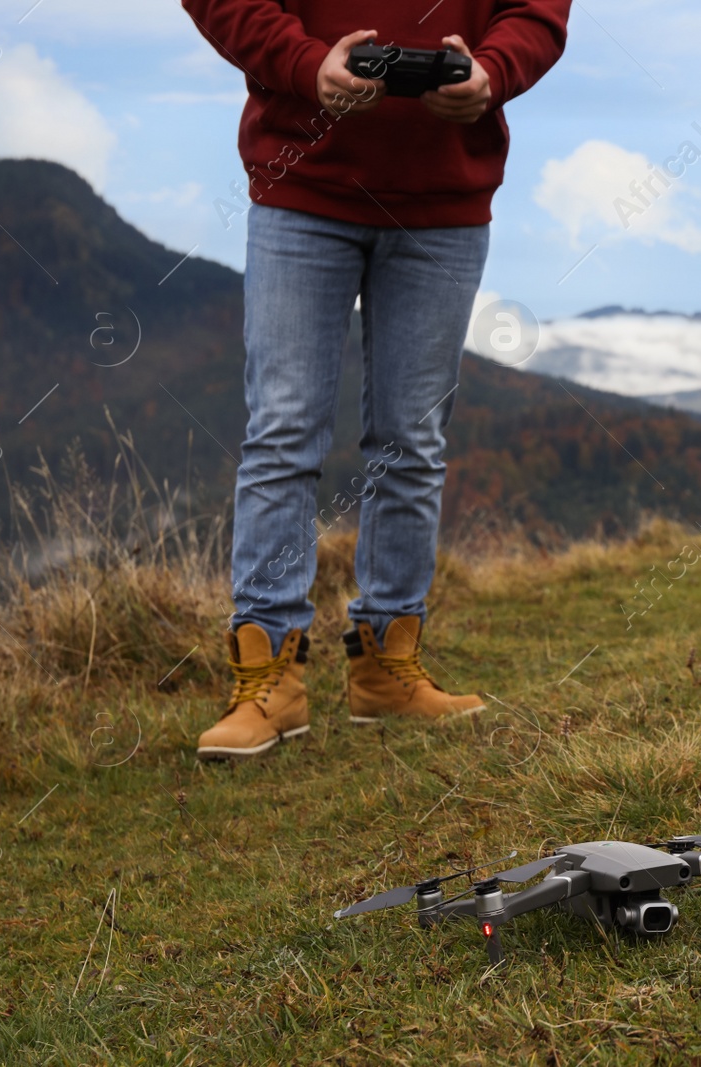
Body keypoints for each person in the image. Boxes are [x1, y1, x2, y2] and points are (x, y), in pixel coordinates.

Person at [179, 0, 571, 759]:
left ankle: (388, 670)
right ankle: (271, 684)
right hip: (303, 187)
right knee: (284, 431)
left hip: (444, 203)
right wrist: (303, 63)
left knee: (411, 437)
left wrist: (491, 72)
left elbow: (538, 11)